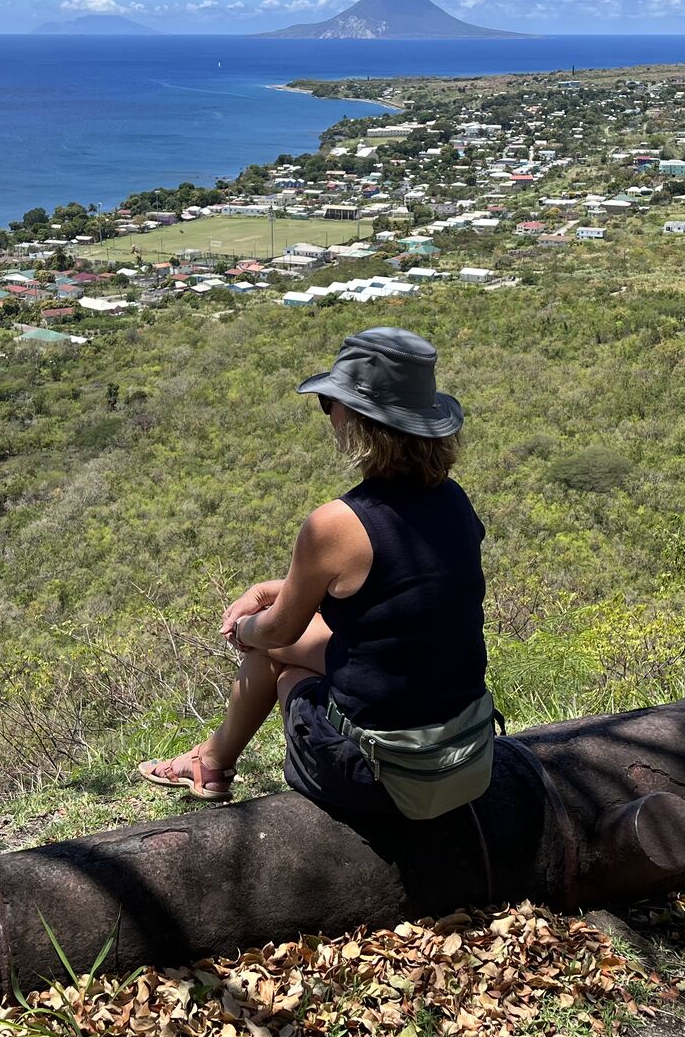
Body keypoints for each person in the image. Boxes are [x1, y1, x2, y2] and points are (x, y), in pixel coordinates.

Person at [137, 326, 496, 819]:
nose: (329, 415)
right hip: (466, 756)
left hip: (378, 777)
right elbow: (397, 590)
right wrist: (267, 591)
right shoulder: (453, 501)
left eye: (330, 403)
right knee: (299, 638)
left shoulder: (336, 523)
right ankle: (209, 762)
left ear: (358, 420)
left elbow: (280, 630)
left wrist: (244, 629)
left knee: (275, 654)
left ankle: (212, 763)